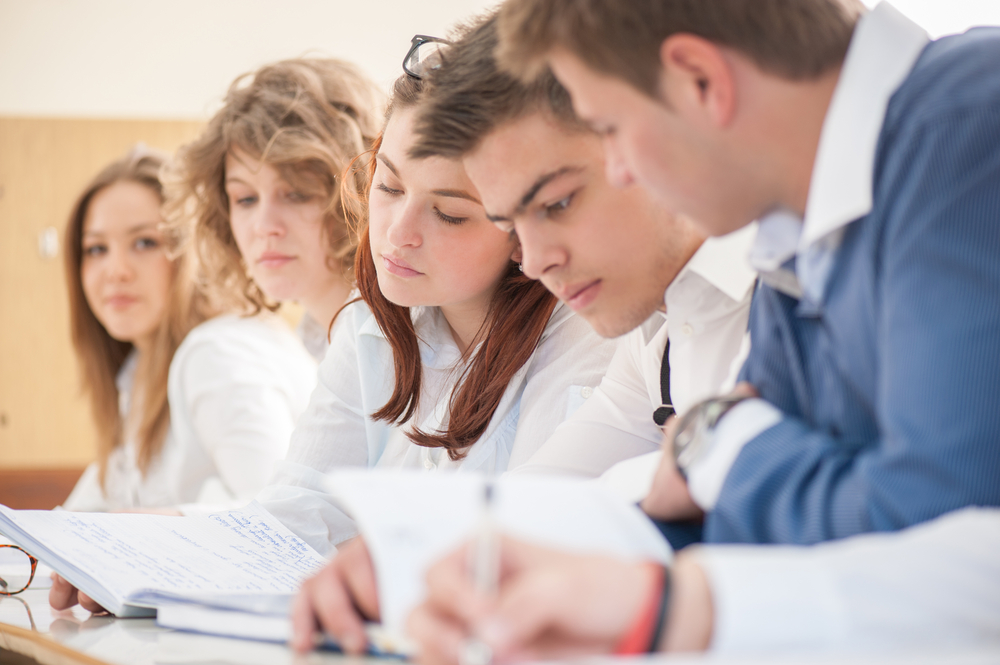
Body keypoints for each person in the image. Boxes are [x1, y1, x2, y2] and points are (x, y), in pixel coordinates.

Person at [405, 0, 1000, 658]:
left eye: (611, 127)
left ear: (700, 79)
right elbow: (747, 529)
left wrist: (713, 441)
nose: (624, 168)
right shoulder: (794, 244)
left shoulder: (973, 120)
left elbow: (936, 528)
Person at [289, 14, 755, 653]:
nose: (531, 260)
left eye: (557, 203)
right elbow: (542, 497)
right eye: (513, 219)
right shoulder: (656, 332)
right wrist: (407, 556)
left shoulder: (773, 287)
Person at [256, 66, 616, 556]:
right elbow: (299, 506)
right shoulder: (369, 318)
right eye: (388, 186)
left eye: (449, 213)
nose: (398, 233)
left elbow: (519, 541)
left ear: (524, 224)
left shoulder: (588, 335)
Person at [60, 146, 315, 517]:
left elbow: (283, 519)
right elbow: (76, 518)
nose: (115, 270)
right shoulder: (138, 373)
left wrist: (160, 524)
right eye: (96, 249)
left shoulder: (217, 353)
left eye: (145, 242)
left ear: (193, 251)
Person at [163, 58, 384, 360]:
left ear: (357, 192)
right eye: (245, 199)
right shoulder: (313, 339)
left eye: (297, 194)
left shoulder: (389, 339)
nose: (264, 226)